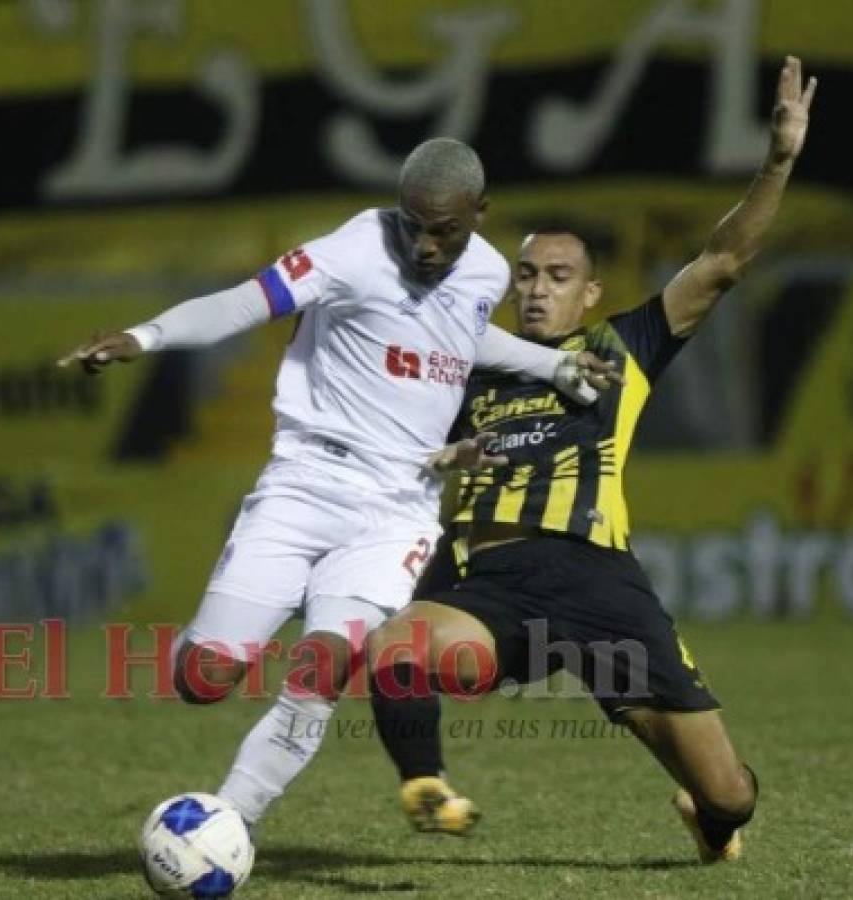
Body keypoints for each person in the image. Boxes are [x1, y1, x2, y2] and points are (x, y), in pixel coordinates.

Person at [59, 138, 619, 830]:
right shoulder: (351, 251)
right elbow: (244, 302)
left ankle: (227, 822)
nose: (423, 245)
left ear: (479, 213)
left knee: (321, 668)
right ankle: (226, 635)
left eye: (442, 229)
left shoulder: (485, 271)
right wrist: (145, 336)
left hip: (397, 510)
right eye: (411, 223)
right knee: (203, 680)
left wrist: (551, 368)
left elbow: (459, 338)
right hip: (304, 482)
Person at [366, 57, 816, 863]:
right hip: (494, 587)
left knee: (730, 796)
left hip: (601, 586)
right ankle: (425, 784)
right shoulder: (469, 366)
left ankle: (706, 816)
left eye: (558, 277)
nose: (537, 290)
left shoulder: (624, 346)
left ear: (589, 294)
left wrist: (777, 161)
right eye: (528, 275)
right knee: (394, 649)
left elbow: (721, 265)